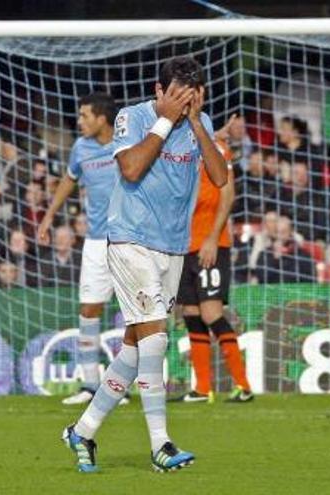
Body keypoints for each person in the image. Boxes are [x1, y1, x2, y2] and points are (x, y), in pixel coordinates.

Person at [62, 56, 227, 473]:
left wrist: (193, 123)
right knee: (155, 339)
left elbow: (221, 177)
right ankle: (161, 445)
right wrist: (166, 121)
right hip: (129, 238)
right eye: (175, 95)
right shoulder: (131, 118)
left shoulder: (199, 124)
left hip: (172, 246)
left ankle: (83, 429)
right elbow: (132, 169)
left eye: (190, 96)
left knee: (136, 349)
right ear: (159, 91)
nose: (183, 102)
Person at [36, 93, 121, 405]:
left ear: (102, 119)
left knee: (137, 315)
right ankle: (90, 386)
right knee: (88, 309)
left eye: (85, 115)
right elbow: (68, 181)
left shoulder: (128, 142)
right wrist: (48, 216)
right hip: (97, 241)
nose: (80, 121)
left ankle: (120, 384)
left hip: (130, 241)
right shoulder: (80, 148)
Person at [173, 138, 252, 403]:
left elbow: (228, 193)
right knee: (191, 313)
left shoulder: (215, 146)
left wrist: (213, 237)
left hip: (211, 244)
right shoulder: (176, 143)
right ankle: (202, 388)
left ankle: (244, 386)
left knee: (211, 313)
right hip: (184, 245)